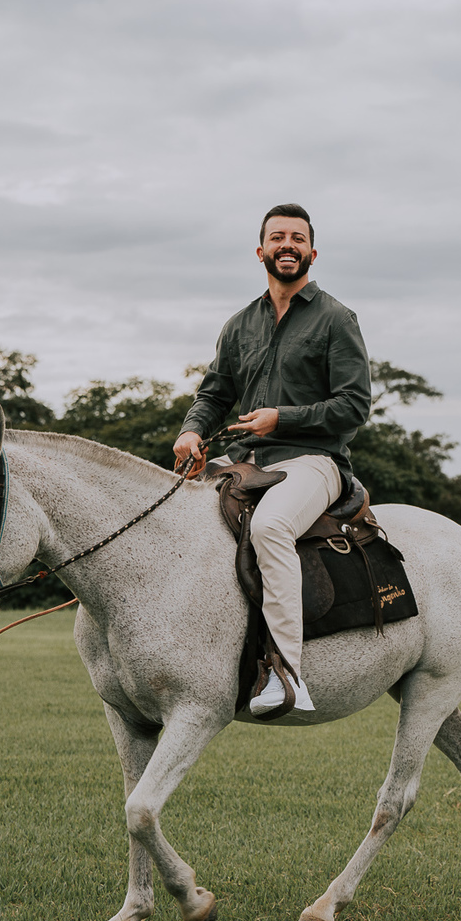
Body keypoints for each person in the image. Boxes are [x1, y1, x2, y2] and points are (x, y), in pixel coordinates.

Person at [173, 204, 371, 717]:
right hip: (244, 459)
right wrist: (192, 431)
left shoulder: (336, 319)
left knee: (271, 526)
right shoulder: (240, 324)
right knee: (169, 513)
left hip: (314, 461)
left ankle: (287, 675)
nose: (288, 245)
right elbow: (214, 394)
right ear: (261, 251)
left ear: (312, 253)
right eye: (278, 237)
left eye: (298, 238)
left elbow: (354, 406)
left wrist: (280, 419)